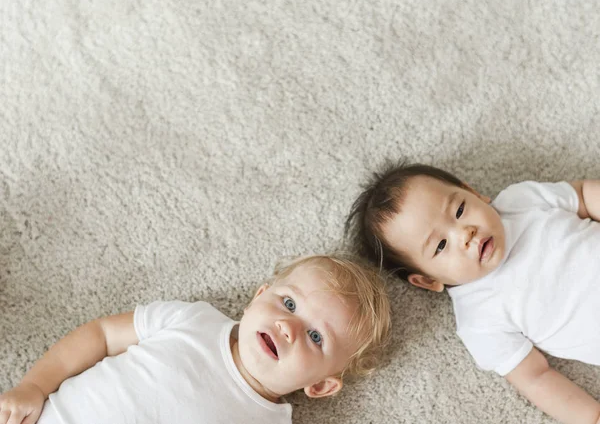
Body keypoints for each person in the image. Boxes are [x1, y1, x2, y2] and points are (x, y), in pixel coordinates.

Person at [345, 161, 600, 424]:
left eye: (459, 210)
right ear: (427, 280)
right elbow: (535, 378)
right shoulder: (479, 320)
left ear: (474, 193)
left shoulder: (521, 201)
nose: (464, 233)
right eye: (441, 245)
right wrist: (591, 417)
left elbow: (581, 195)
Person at [0, 254, 391, 424]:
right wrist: (34, 385)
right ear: (259, 296)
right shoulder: (193, 320)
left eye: (316, 336)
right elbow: (101, 335)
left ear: (320, 385)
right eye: (289, 302)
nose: (289, 327)